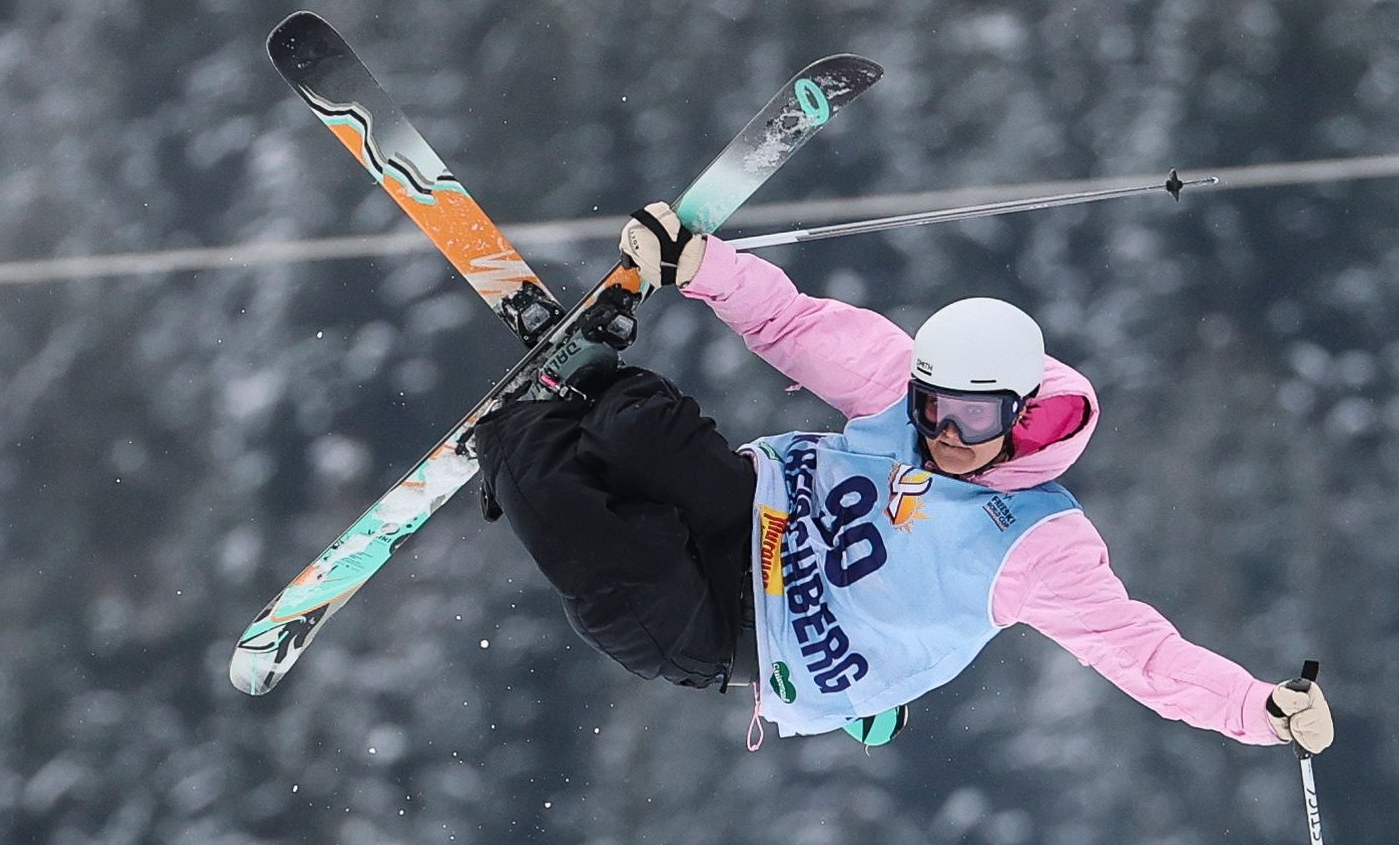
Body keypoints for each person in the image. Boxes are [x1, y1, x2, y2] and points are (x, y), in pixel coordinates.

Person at [477, 203, 1337, 756]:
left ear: (1020, 414)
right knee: (642, 429)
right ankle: (582, 381)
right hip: (756, 516)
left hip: (744, 634)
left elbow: (1146, 657)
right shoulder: (905, 393)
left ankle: (517, 436)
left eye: (974, 421)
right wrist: (699, 266)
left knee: (589, 541)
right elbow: (792, 322)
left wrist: (1258, 708)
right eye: (932, 409)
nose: (944, 436)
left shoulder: (1041, 545)